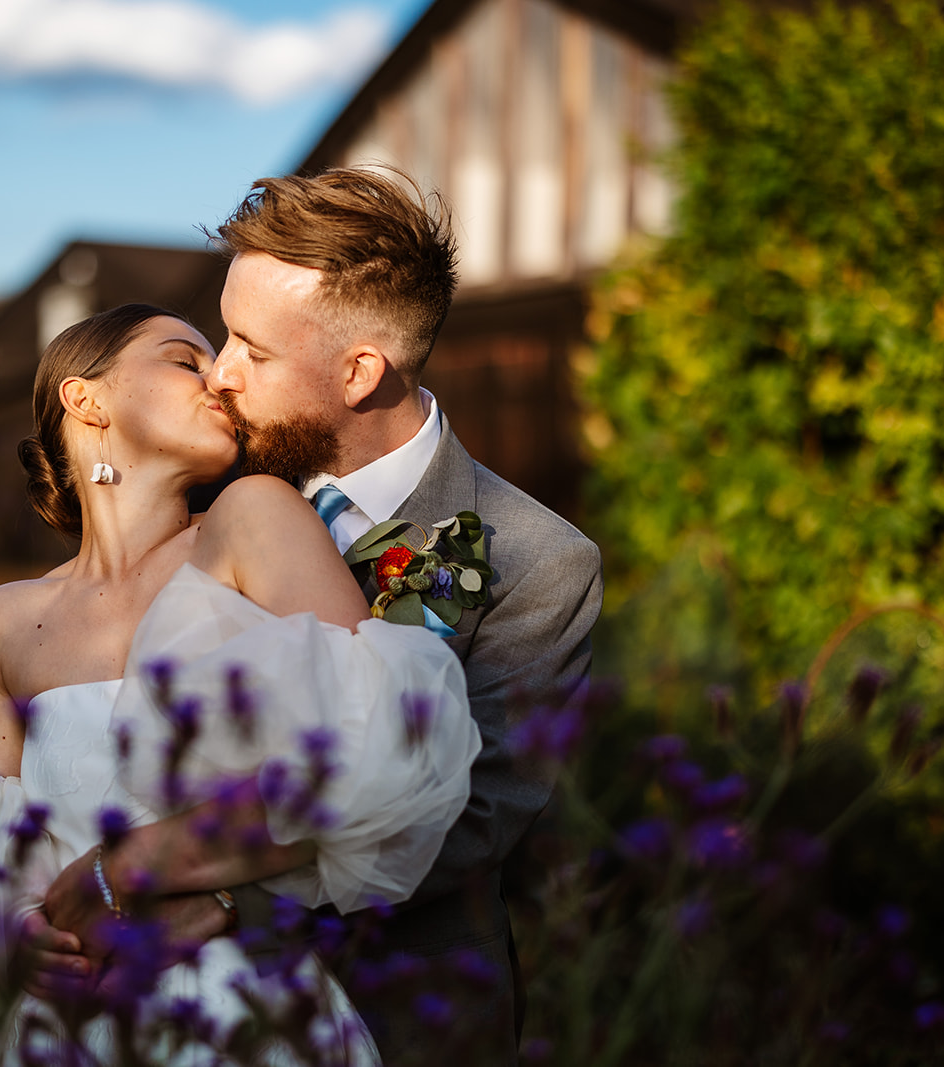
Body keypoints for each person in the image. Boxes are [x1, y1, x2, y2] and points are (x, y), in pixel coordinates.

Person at [0, 303, 483, 1065]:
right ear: (86, 399)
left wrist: (147, 877)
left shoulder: (257, 520)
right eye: (185, 359)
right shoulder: (4, 621)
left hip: (239, 1013)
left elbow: (378, 752)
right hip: (66, 1022)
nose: (219, 377)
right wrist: (19, 930)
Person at [37, 167, 603, 1064]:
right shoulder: (216, 483)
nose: (220, 374)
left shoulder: (540, 559)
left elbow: (472, 816)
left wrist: (211, 898)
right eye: (224, 333)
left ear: (359, 370)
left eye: (251, 350)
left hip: (404, 1005)